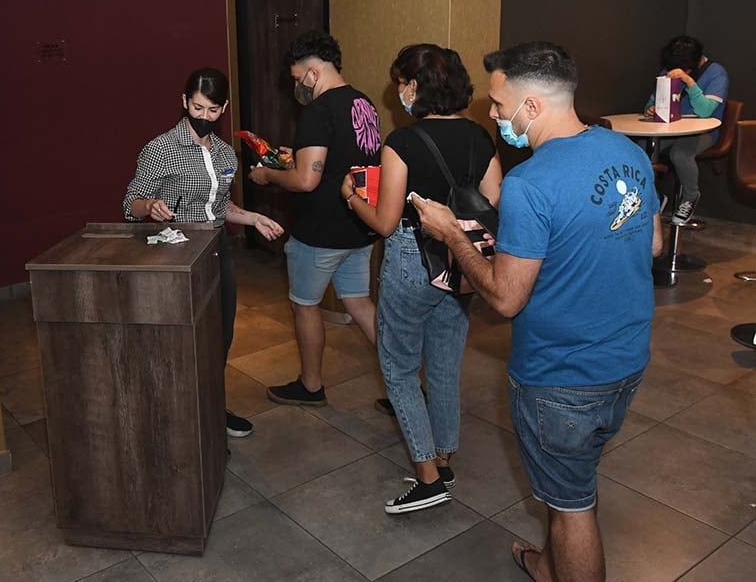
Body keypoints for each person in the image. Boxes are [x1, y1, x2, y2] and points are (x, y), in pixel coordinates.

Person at [413, 42, 662, 582]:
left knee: (574, 507)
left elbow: (505, 299)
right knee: (567, 483)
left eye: (500, 104)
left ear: (532, 106)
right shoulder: (629, 151)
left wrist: (454, 236)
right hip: (626, 360)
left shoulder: (529, 184)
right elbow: (652, 245)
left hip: (561, 379)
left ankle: (562, 564)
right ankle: (549, 565)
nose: (494, 114)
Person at [342, 44, 501, 514]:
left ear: (415, 88)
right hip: (460, 260)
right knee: (446, 365)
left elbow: (386, 222)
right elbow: (493, 205)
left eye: (400, 84)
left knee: (399, 368)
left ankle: (428, 476)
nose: (398, 93)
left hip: (413, 260)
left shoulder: (403, 143)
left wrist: (351, 196)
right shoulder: (481, 137)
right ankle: (445, 458)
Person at [123, 67, 284, 438]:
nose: (204, 118)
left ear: (224, 108)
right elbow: (130, 203)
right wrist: (152, 207)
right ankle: (183, 417)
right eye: (197, 108)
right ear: (184, 102)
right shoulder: (160, 149)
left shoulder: (227, 154)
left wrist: (253, 218)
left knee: (220, 334)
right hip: (176, 254)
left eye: (213, 111)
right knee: (186, 339)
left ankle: (212, 408)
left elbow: (221, 207)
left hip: (217, 249)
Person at [248, 30, 380, 406]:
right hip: (359, 223)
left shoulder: (318, 110)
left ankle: (310, 386)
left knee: (304, 304)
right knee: (359, 302)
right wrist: (300, 157)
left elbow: (307, 180)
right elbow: (342, 159)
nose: (296, 85)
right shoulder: (363, 103)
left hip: (320, 230)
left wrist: (268, 174)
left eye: (295, 77)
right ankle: (404, 380)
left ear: (311, 72)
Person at [643, 35, 729, 225]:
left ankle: (690, 197)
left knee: (681, 155)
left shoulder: (716, 73)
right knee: (638, 150)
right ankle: (655, 197)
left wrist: (689, 81)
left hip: (702, 131)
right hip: (671, 127)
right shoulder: (670, 69)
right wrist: (651, 108)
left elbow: (705, 111)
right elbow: (651, 102)